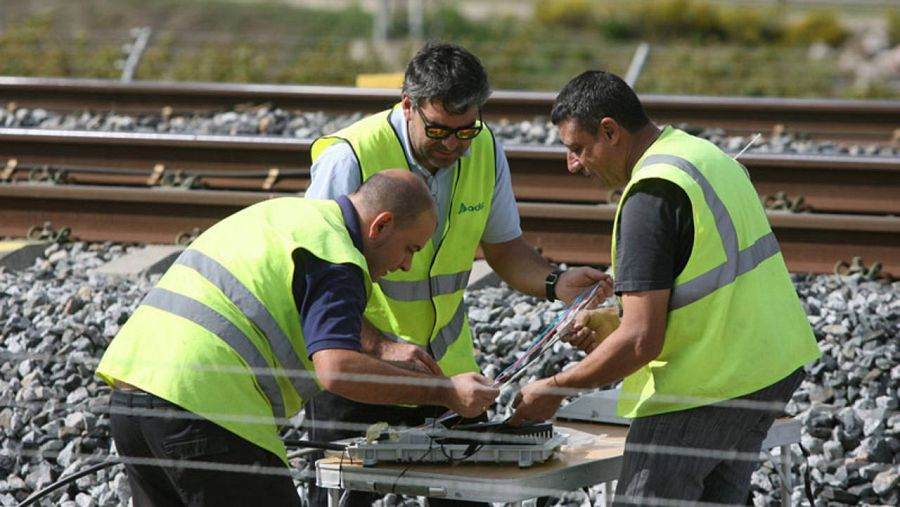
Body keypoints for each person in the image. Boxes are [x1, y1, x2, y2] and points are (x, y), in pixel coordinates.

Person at [304, 41, 612, 507]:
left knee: (466, 494)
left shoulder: (484, 149)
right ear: (408, 105)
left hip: (449, 376)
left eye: (465, 130)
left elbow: (505, 248)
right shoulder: (351, 158)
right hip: (360, 371)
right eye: (439, 130)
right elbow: (313, 282)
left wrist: (555, 283)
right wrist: (382, 347)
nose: (452, 145)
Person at [95, 170, 500, 507]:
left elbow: (287, 297)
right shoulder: (338, 256)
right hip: (205, 410)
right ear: (381, 225)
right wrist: (446, 392)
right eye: (409, 248)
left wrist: (380, 346)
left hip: (133, 399)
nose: (407, 264)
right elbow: (336, 370)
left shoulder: (290, 217)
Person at [509, 70, 821, 505]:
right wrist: (616, 319)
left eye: (577, 148)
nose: (573, 164)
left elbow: (641, 341)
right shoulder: (700, 154)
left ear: (610, 131)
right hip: (767, 370)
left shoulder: (650, 197)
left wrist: (555, 389)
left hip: (706, 387)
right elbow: (712, 279)